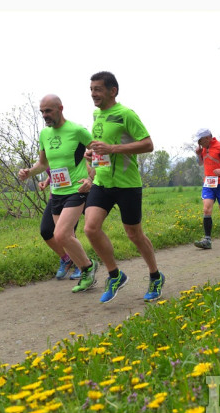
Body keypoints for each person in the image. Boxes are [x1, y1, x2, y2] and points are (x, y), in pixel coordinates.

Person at [83, 71, 166, 303]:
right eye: (91, 90)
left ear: (113, 91)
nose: (93, 94)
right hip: (102, 182)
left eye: (97, 89)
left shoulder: (126, 114)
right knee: (90, 228)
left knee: (134, 234)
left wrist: (112, 149)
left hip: (127, 184)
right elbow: (101, 148)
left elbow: (148, 144)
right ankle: (115, 275)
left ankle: (155, 276)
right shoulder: (96, 115)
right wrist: (91, 154)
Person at [19, 94, 98, 293]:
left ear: (60, 108)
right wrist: (29, 172)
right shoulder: (45, 135)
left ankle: (88, 268)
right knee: (65, 236)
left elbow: (99, 153)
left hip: (76, 190)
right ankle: (86, 268)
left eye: (48, 111)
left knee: (60, 234)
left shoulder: (77, 131)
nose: (45, 115)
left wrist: (91, 179)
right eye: (42, 112)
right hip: (57, 191)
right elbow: (43, 164)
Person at [39, 168, 81, 280]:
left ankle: (81, 265)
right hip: (55, 197)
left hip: (72, 195)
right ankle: (66, 259)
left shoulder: (73, 150)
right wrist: (46, 182)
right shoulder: (47, 152)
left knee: (68, 234)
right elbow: (54, 169)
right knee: (46, 231)